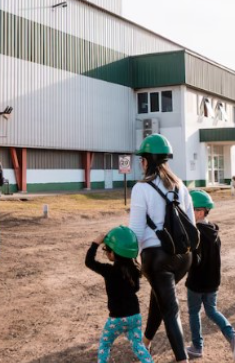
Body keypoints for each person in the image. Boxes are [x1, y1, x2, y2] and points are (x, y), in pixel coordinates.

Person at [129, 134, 195, 363]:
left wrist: (130, 259)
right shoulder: (180, 186)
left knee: (170, 309)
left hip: (157, 259)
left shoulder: (141, 188)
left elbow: (136, 230)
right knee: (160, 297)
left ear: (147, 161)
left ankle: (182, 359)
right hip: (183, 258)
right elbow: (191, 226)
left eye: (142, 159)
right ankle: (145, 343)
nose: (140, 163)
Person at [186, 190, 235, 361]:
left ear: (200, 211)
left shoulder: (195, 233)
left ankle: (197, 347)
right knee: (211, 310)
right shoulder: (213, 230)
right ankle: (232, 336)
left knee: (194, 312)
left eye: (190, 209)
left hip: (197, 281)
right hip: (213, 282)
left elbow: (195, 260)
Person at [85, 226, 154, 363]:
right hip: (134, 316)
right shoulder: (135, 270)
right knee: (138, 345)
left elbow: (89, 262)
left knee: (105, 344)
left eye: (108, 251)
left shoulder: (109, 271)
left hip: (117, 319)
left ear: (113, 254)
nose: (107, 254)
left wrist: (96, 243)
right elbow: (135, 289)